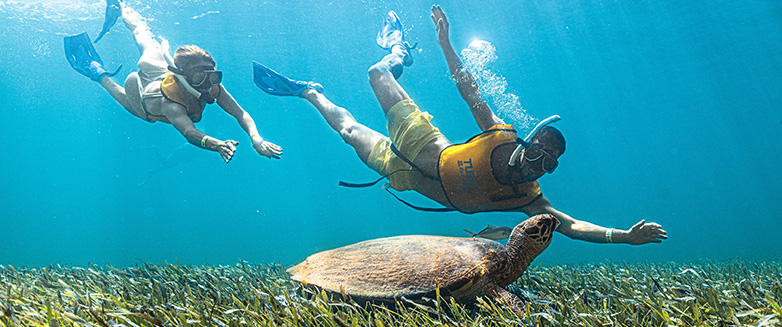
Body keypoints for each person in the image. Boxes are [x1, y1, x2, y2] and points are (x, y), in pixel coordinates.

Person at [253, 5, 666, 246]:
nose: (538, 162)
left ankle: (309, 92)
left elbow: (571, 226)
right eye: (539, 148)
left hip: (404, 175)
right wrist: (445, 45)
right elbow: (471, 91)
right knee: (377, 73)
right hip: (421, 138)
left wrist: (623, 236)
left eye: (549, 163)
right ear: (528, 138)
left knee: (348, 134)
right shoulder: (500, 134)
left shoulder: (527, 196)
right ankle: (400, 50)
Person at [63, 3, 282, 163]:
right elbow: (189, 133)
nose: (207, 84)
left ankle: (121, 7)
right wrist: (217, 145)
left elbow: (240, 113)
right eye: (199, 78)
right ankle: (97, 71)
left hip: (157, 66)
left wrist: (256, 138)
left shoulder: (210, 84)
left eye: (212, 76)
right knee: (125, 98)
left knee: (142, 31)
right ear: (183, 76)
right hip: (144, 97)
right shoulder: (173, 106)